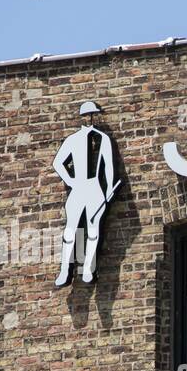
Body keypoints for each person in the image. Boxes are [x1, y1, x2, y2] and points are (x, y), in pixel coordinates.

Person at [53, 101, 119, 285]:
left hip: (95, 187)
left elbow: (109, 167)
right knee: (70, 230)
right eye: (87, 114)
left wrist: (108, 189)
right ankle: (65, 270)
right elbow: (58, 162)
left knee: (93, 229)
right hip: (79, 187)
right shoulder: (72, 140)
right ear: (82, 117)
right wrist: (71, 181)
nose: (90, 118)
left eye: (93, 114)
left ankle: (89, 269)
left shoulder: (103, 139)